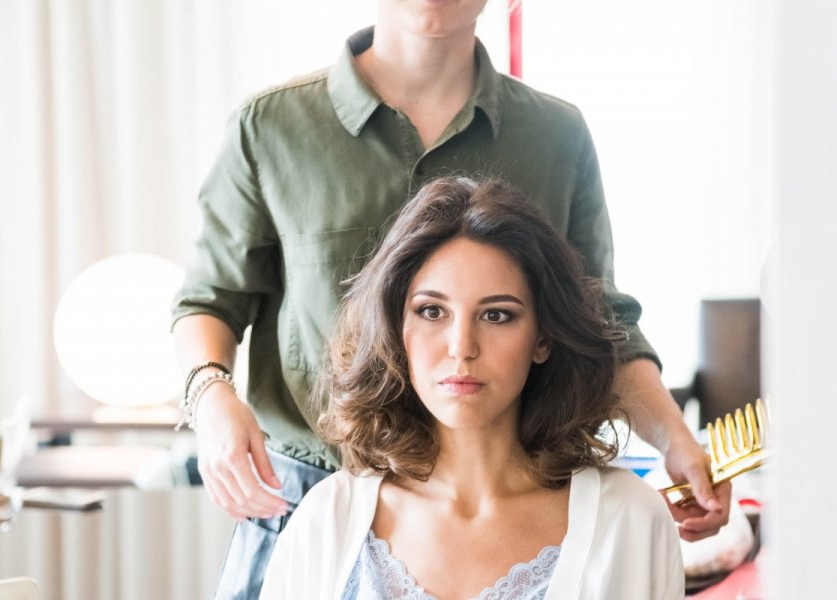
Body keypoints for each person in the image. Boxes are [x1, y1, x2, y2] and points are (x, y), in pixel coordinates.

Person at [172, 1, 726, 597]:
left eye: (495, 314)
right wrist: (210, 401)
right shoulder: (271, 126)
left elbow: (601, 318)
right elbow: (210, 299)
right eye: (431, 311)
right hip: (301, 496)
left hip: (507, 505)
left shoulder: (556, 137)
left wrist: (675, 440)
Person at [259, 176, 685, 599]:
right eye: (431, 311)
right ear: (395, 330)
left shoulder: (631, 519)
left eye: (496, 315)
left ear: (543, 339)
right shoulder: (325, 521)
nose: (461, 347)